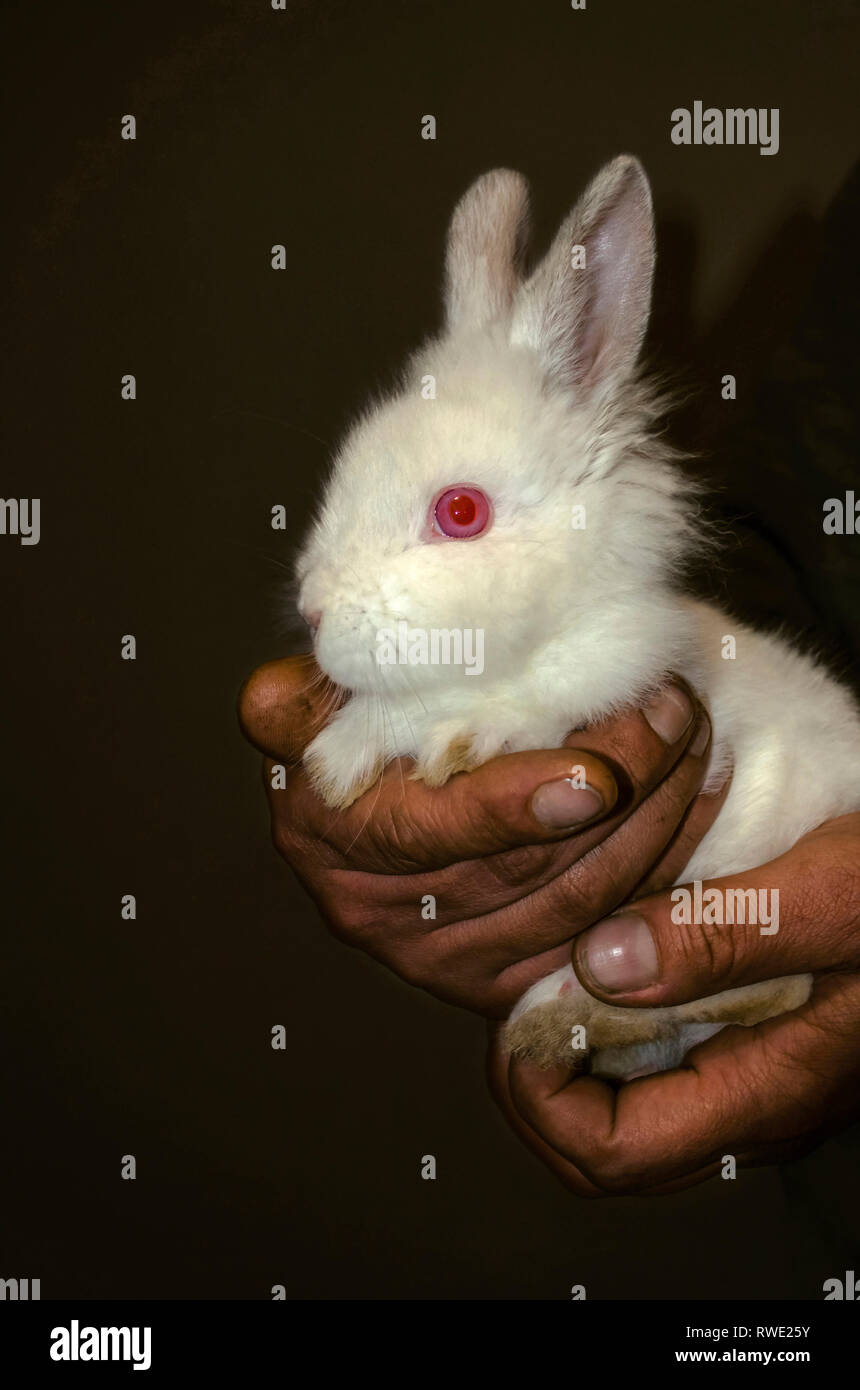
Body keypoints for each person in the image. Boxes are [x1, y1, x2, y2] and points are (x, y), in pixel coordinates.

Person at [237, 162, 860, 1199]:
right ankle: (671, 997)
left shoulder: (624, 640)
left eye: (458, 515)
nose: (317, 594)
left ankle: (729, 986)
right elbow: (782, 534)